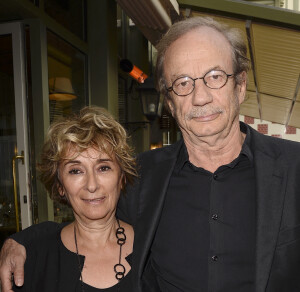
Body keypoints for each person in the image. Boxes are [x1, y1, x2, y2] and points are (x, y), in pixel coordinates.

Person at [1, 16, 300, 292]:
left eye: (214, 76)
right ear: (170, 103)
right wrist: (21, 241)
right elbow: (90, 215)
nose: (200, 96)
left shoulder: (294, 167)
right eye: (182, 83)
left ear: (240, 85)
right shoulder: (142, 177)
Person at [5, 106, 137, 291]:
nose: (92, 185)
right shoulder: (32, 260)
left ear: (122, 178)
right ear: (60, 186)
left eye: (103, 167)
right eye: (76, 171)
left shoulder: (154, 249)